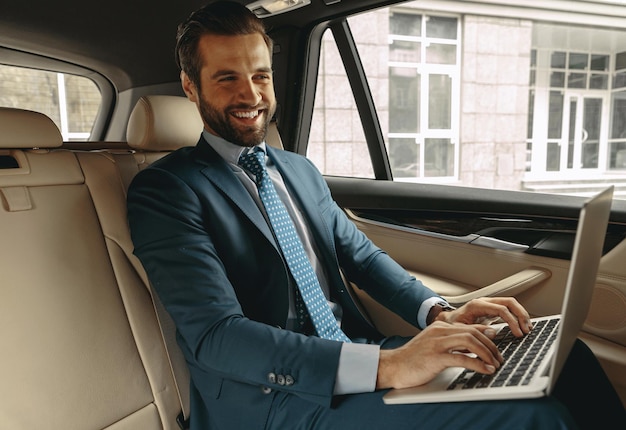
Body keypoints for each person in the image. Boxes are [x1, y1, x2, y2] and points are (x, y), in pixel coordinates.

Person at [127, 2, 625, 429]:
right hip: (273, 400)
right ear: (191, 88)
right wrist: (389, 365)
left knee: (568, 359)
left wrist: (438, 314)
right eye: (227, 78)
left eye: (260, 75)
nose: (252, 95)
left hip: (356, 349)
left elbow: (361, 257)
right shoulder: (166, 191)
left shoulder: (297, 170)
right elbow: (218, 337)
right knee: (526, 418)